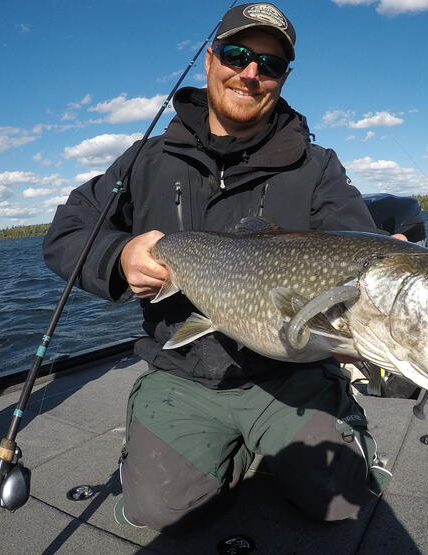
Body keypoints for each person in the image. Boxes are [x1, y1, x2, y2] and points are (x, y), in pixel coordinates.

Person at [43, 2, 395, 532]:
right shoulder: (146, 159)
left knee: (341, 499)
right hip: (183, 371)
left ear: (282, 78)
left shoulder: (317, 166)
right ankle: (206, 448)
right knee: (157, 513)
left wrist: (387, 265)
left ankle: (327, 425)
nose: (251, 73)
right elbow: (68, 233)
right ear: (210, 60)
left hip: (290, 374)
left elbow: (356, 240)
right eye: (237, 54)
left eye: (270, 65)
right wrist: (118, 256)